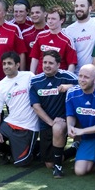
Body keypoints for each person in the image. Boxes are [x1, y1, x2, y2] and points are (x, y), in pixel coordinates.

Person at [0, 51, 39, 167]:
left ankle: (37, 147)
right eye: (4, 64)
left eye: (9, 63)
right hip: (10, 123)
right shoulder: (1, 85)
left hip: (28, 126)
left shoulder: (29, 76)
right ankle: (7, 151)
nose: (6, 66)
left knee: (21, 163)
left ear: (17, 65)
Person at [30, 50, 78, 178]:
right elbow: (36, 107)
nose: (47, 65)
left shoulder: (68, 76)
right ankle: (74, 149)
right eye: (44, 62)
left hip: (64, 120)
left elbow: (86, 85)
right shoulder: (35, 81)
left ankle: (58, 168)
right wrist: (50, 122)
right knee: (48, 163)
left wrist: (69, 87)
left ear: (58, 65)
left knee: (57, 128)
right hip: (46, 123)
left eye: (50, 63)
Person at [64, 0, 95, 75]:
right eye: (76, 6)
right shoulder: (68, 30)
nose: (78, 8)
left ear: (90, 8)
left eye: (82, 6)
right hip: (77, 74)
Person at [29, 5, 77, 74]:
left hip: (59, 79)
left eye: (53, 19)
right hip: (41, 77)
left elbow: (72, 63)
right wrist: (32, 76)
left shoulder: (67, 40)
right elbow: (35, 58)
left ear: (62, 20)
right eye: (48, 18)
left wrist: (67, 79)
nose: (50, 21)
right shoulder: (40, 36)